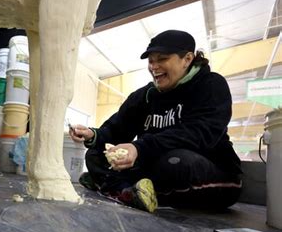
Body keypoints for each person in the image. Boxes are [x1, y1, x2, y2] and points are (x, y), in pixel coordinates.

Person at [70, 30, 242, 213]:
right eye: (151, 61)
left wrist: (140, 147)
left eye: (162, 59)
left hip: (211, 175)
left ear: (187, 59)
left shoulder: (210, 85)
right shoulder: (145, 95)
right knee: (96, 155)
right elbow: (117, 129)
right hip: (155, 168)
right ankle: (126, 191)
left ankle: (110, 185)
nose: (154, 67)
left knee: (175, 162)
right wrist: (93, 135)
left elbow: (200, 134)